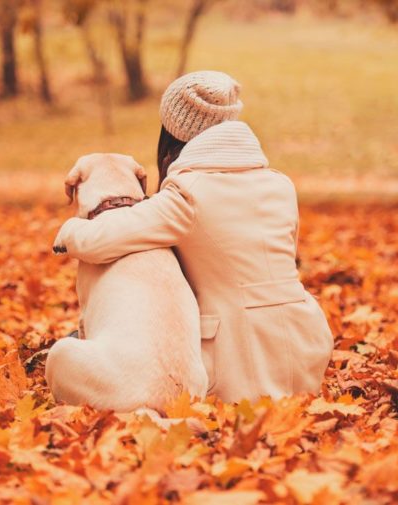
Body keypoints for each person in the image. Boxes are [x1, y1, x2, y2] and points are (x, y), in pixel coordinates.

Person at [53, 70, 334, 403]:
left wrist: (68, 231)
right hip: (305, 348)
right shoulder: (279, 184)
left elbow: (101, 240)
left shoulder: (187, 195)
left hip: (238, 362)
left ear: (173, 133)